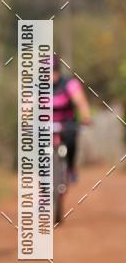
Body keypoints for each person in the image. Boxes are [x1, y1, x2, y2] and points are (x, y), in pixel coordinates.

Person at [53, 53, 91, 181]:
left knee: (70, 140)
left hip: (66, 122)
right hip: (45, 124)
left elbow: (81, 102)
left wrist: (86, 117)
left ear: (57, 70)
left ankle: (70, 167)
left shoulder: (69, 83)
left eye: (53, 72)